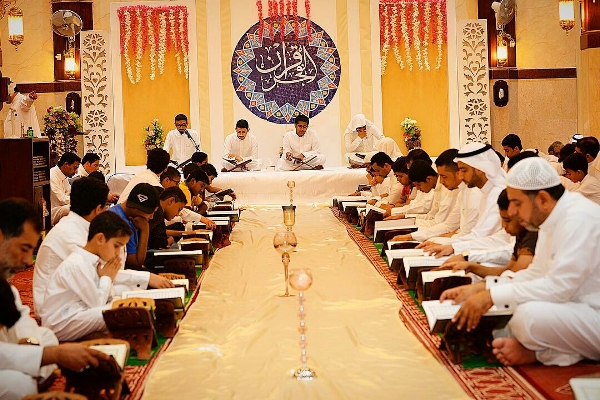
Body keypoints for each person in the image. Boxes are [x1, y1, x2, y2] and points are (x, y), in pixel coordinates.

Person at [440, 157, 600, 366]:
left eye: (517, 203)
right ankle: (542, 352)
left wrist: (491, 296)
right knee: (510, 309)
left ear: (542, 199)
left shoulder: (578, 219)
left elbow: (558, 287)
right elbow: (535, 273)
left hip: (592, 311)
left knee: (526, 316)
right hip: (574, 307)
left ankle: (542, 353)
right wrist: (483, 288)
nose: (512, 212)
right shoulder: (551, 218)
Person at [0, 198, 108, 400]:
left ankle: (30, 372)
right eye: (24, 248)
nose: (28, 261)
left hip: (14, 350)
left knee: (47, 336)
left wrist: (31, 345)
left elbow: (21, 320)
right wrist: (51, 355)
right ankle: (30, 376)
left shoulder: (4, 284)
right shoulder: (71, 235)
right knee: (18, 384)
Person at [34, 177, 172, 314]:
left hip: (82, 291)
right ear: (98, 209)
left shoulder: (80, 227)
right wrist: (147, 278)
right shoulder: (70, 235)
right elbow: (100, 272)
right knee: (131, 309)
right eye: (106, 206)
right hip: (59, 308)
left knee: (132, 292)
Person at [39, 212, 132, 341]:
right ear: (100, 239)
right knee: (118, 312)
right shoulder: (77, 264)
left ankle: (96, 336)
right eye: (116, 246)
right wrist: (107, 278)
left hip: (79, 312)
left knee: (127, 293)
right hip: (61, 323)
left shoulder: (91, 261)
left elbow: (102, 297)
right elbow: (97, 303)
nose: (117, 253)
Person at [420, 142, 508, 257]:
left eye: (464, 170)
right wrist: (450, 245)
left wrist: (452, 246)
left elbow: (481, 236)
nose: (460, 176)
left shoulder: (497, 194)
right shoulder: (485, 192)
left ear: (479, 169)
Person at [440, 189, 537, 276]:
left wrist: (467, 256)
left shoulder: (532, 233)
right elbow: (508, 270)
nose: (503, 225)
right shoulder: (521, 232)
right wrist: (472, 267)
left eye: (507, 220)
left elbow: (512, 276)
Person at [49, 151, 81, 225]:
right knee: (70, 209)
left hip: (63, 206)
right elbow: (61, 199)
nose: (76, 172)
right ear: (66, 164)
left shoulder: (64, 176)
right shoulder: (52, 175)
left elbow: (70, 193)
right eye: (75, 168)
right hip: (53, 211)